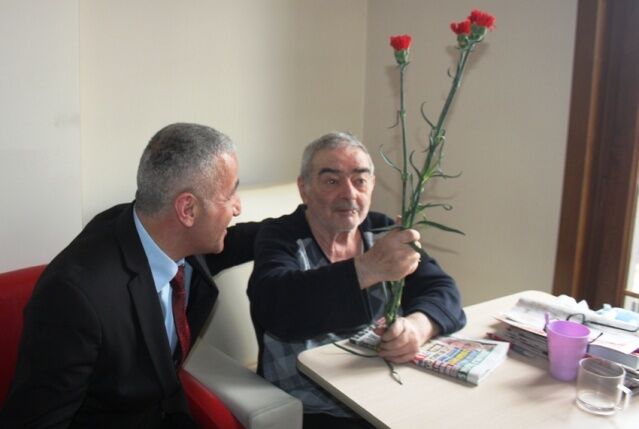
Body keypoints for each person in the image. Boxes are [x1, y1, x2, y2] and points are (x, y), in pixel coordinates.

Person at [0, 123, 256, 428]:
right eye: (230, 194)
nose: (238, 207)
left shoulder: (164, 231)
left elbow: (239, 241)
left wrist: (299, 223)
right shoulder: (74, 298)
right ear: (187, 209)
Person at [248, 132, 466, 429]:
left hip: (386, 393)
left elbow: (442, 289)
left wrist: (418, 326)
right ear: (304, 188)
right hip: (314, 407)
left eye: (360, 180)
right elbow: (276, 305)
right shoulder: (281, 236)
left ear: (372, 185)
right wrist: (368, 268)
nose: (349, 194)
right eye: (332, 181)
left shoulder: (382, 230)